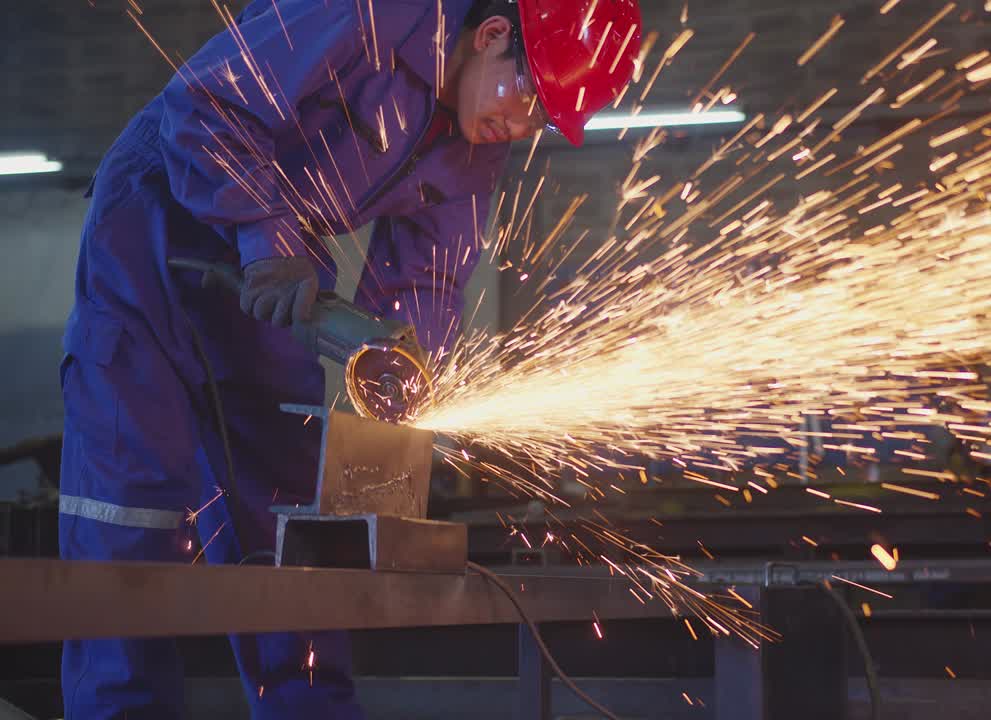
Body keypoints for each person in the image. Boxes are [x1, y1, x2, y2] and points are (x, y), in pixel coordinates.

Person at [57, 0, 640, 716]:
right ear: (492, 35)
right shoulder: (370, 14)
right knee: (131, 503)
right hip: (153, 220)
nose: (522, 126)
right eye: (528, 96)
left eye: (542, 121)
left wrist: (404, 388)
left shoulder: (476, 146)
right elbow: (206, 104)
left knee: (288, 518)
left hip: (278, 265)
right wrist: (267, 240)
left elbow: (425, 280)